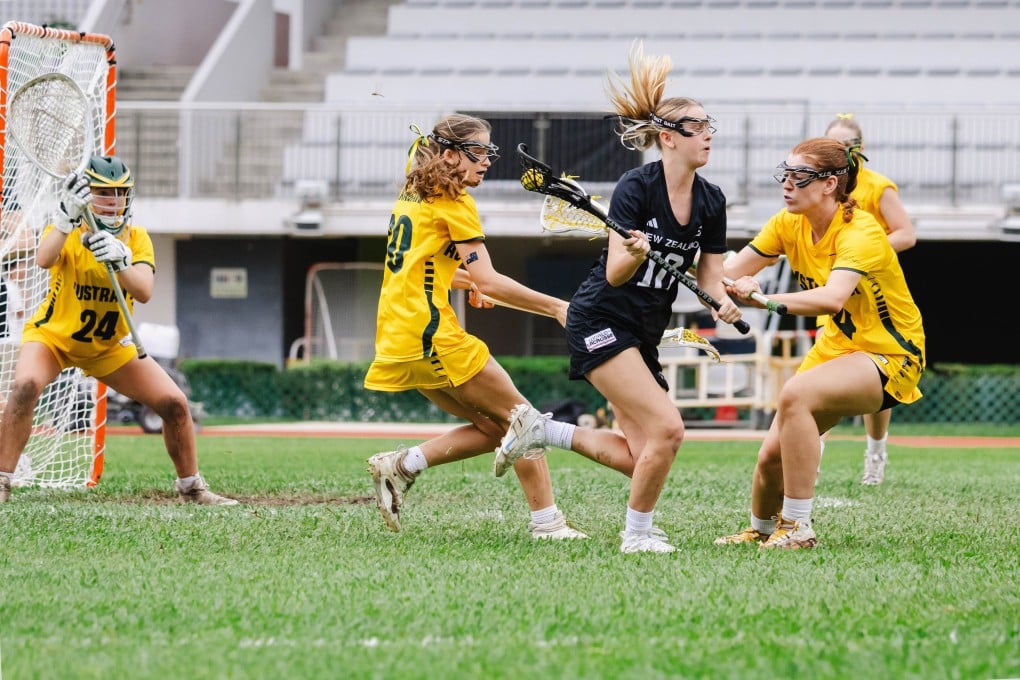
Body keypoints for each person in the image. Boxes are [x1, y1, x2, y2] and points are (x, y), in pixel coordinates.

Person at [493, 42, 743, 553]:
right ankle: (637, 535)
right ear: (668, 137)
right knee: (669, 431)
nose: (708, 134)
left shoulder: (711, 200)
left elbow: (711, 278)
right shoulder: (636, 186)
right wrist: (633, 251)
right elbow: (614, 271)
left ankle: (542, 431)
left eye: (709, 125)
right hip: (601, 319)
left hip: (644, 331)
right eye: (698, 126)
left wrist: (725, 300)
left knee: (643, 454)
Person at [363, 114, 588, 540]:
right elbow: (491, 280)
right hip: (432, 334)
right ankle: (548, 524)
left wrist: (466, 281)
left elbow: (424, 265)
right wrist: (558, 307)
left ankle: (403, 465)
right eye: (478, 152)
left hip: (398, 334)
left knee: (496, 427)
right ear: (448, 155)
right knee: (524, 420)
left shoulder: (416, 187)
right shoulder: (456, 202)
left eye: (489, 152)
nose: (486, 162)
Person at [715, 137, 925, 549]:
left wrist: (761, 299)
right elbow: (729, 272)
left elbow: (832, 299)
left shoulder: (861, 230)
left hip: (890, 353)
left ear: (830, 184)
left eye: (800, 176)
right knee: (770, 457)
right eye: (785, 173)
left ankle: (798, 528)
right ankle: (761, 529)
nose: (787, 184)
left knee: (796, 394)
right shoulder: (787, 223)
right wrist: (682, 253)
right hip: (837, 346)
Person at [0, 155, 237, 505]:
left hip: (108, 347)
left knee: (175, 403)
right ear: (88, 195)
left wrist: (122, 261)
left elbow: (144, 290)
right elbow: (44, 259)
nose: (113, 201)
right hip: (54, 339)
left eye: (119, 193)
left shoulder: (136, 238)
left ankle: (192, 487)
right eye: (103, 192)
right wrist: (64, 220)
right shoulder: (69, 230)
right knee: (26, 386)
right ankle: (2, 480)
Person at [819, 113, 916, 485]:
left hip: (875, 297)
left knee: (878, 377)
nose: (840, 151)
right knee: (820, 374)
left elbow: (905, 234)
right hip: (835, 293)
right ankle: (811, 456)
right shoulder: (821, 188)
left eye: (847, 145)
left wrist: (861, 255)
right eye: (833, 144)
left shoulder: (877, 187)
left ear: (860, 148)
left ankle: (876, 453)